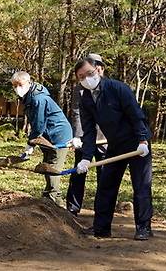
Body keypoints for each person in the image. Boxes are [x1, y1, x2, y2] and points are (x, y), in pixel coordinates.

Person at [73, 56, 153, 240]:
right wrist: (86, 157)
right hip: (115, 144)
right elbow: (89, 130)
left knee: (141, 186)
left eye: (89, 73)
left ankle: (143, 228)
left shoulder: (118, 89)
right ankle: (101, 228)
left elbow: (136, 115)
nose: (86, 79)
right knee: (106, 185)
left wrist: (142, 140)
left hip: (136, 143)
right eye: (81, 77)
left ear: (99, 70)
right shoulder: (85, 98)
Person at [11, 71, 72, 206]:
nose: (17, 88)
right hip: (47, 135)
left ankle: (56, 200)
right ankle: (48, 195)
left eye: (19, 84)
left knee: (52, 167)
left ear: (28, 82)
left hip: (59, 134)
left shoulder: (39, 99)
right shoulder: (29, 97)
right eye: (14, 86)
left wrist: (30, 144)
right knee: (46, 165)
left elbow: (39, 124)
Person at [65, 53, 108, 216]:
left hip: (105, 139)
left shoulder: (110, 87)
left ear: (101, 69)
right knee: (79, 172)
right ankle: (72, 209)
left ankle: (102, 213)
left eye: (98, 66)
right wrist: (77, 135)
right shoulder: (80, 89)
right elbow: (76, 112)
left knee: (104, 176)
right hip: (85, 139)